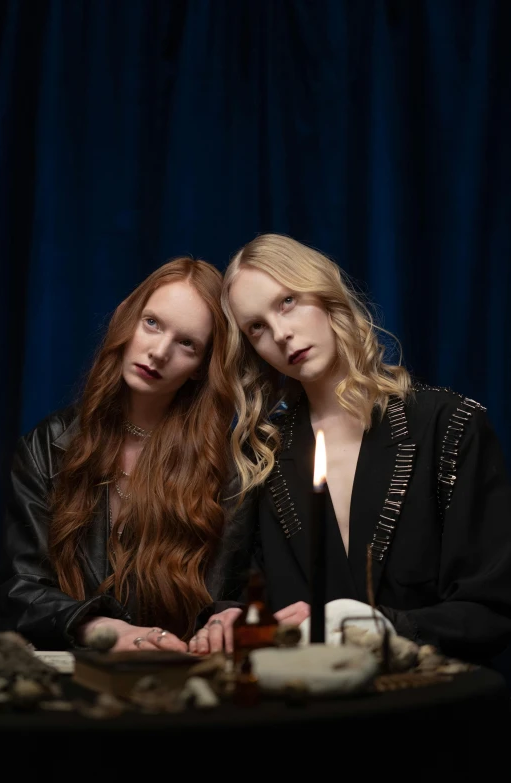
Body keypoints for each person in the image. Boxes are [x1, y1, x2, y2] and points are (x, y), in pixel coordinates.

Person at [190, 233, 511, 665]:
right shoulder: (261, 455)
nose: (281, 334)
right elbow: (237, 596)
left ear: (324, 294)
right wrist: (230, 621)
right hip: (305, 709)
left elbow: (491, 612)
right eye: (257, 327)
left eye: (287, 301)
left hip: (430, 709)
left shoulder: (449, 426)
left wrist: (373, 627)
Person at [0, 257, 233, 652]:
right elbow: (18, 592)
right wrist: (98, 628)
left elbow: (232, 591)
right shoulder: (48, 446)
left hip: (184, 685)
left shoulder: (225, 465)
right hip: (76, 688)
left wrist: (226, 619)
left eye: (187, 343)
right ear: (126, 318)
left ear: (200, 368)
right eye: (152, 323)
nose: (158, 352)